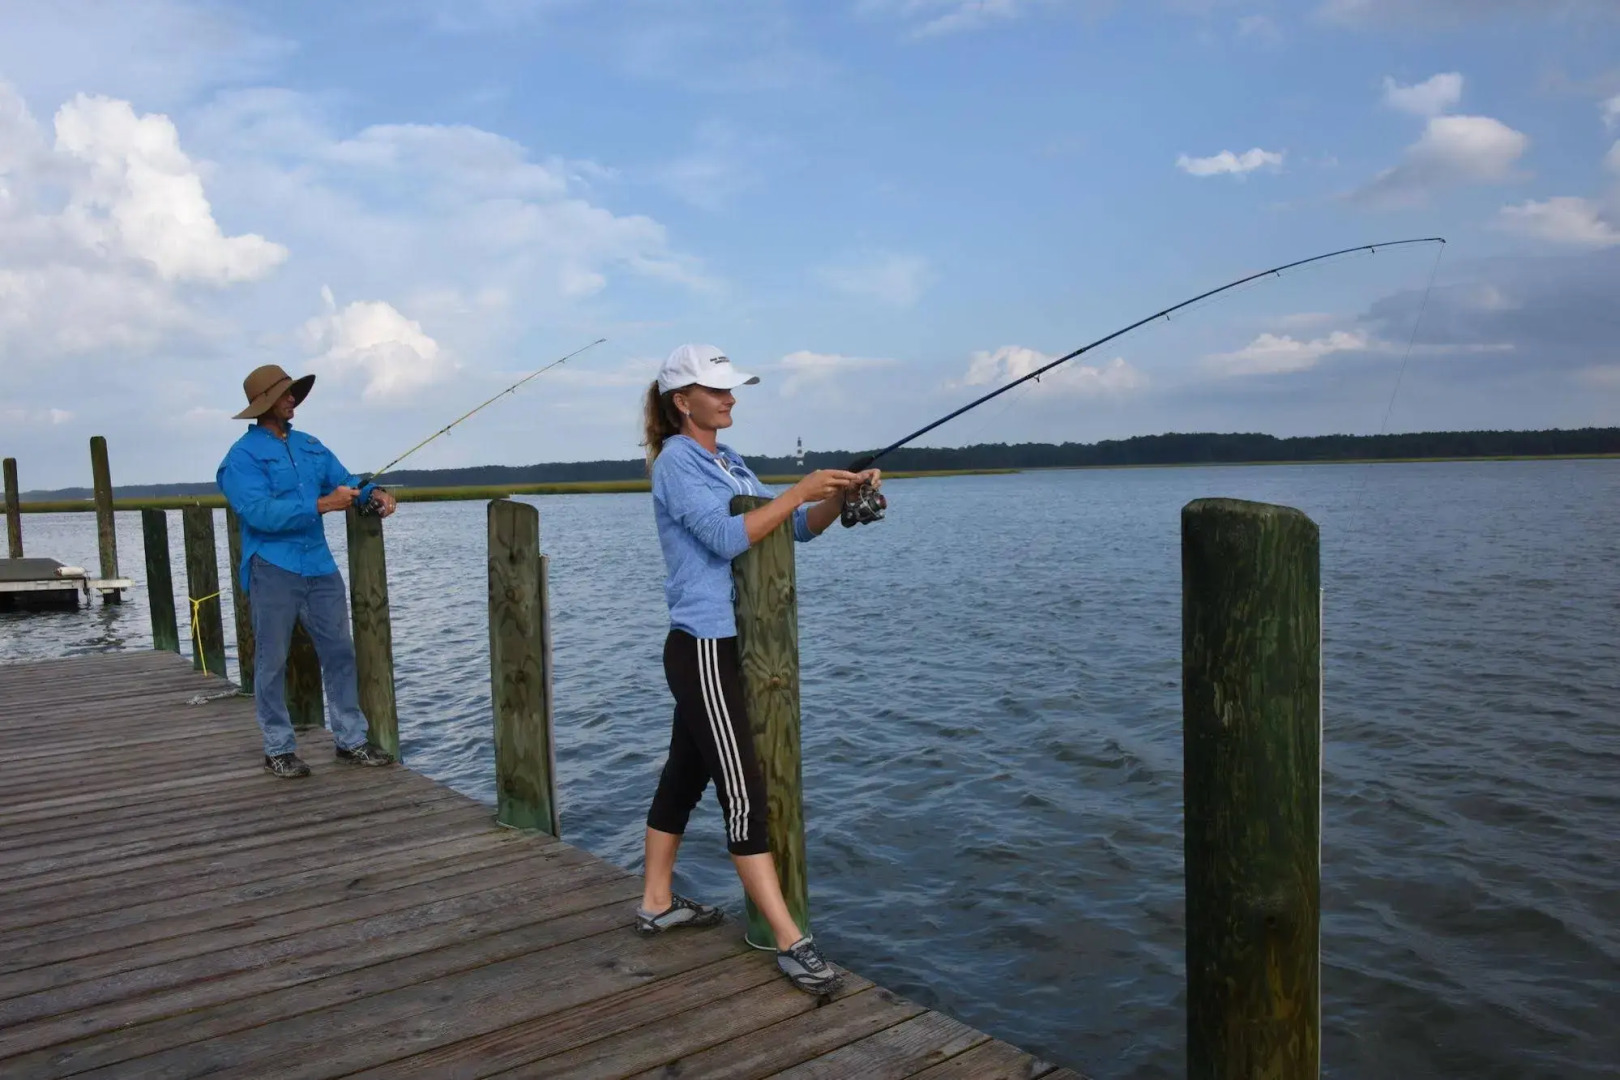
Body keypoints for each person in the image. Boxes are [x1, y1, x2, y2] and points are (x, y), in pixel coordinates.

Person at [635, 342, 881, 995]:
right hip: (707, 645)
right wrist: (800, 486)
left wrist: (837, 492)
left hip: (737, 644)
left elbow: (792, 528)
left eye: (732, 388)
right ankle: (788, 939)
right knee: (744, 789)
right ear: (681, 400)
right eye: (717, 390)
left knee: (685, 774)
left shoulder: (728, 461)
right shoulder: (677, 464)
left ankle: (656, 902)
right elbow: (725, 537)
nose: (731, 397)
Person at [216, 364, 400, 778]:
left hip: (319, 566)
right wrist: (323, 505)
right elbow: (258, 513)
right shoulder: (240, 459)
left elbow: (346, 482)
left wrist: (374, 493)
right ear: (265, 404)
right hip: (272, 568)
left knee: (340, 652)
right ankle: (278, 748)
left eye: (293, 393)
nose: (293, 399)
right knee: (271, 660)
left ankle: (351, 741)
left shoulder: (311, 446)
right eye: (285, 394)